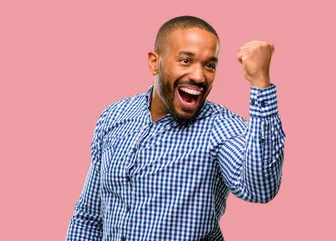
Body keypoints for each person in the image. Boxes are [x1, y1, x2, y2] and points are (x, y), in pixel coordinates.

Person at [65, 15, 286, 241]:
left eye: (210, 65)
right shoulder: (115, 116)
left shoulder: (220, 127)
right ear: (154, 62)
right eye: (186, 61)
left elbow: (260, 188)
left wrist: (261, 84)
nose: (199, 76)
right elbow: (89, 216)